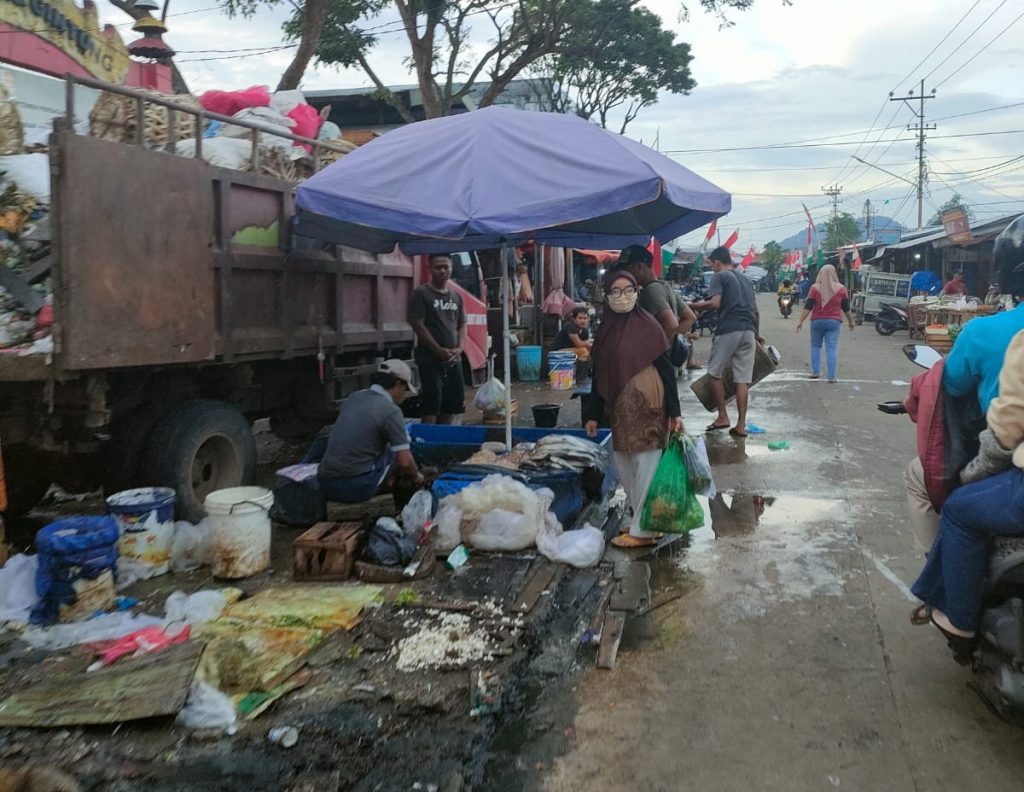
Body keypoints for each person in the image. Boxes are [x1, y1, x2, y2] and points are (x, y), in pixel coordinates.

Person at [910, 330, 1024, 663]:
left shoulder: (985, 333)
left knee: (958, 507)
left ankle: (957, 617)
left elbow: (1006, 421)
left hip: (1003, 458)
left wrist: (973, 474)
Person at [583, 271, 683, 549]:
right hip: (619, 407)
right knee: (625, 463)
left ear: (637, 292)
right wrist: (592, 413)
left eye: (628, 290)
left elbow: (667, 371)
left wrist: (675, 413)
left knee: (646, 462)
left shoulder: (650, 326)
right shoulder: (606, 330)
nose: (622, 297)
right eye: (615, 292)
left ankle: (644, 530)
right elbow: (599, 373)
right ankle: (647, 520)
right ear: (606, 296)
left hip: (648, 400)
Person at [318, 360, 424, 503]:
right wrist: (417, 476)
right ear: (398, 384)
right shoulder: (391, 411)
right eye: (405, 390)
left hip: (325, 484)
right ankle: (398, 495)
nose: (404, 396)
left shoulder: (353, 397)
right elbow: (405, 461)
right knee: (397, 455)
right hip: (357, 487)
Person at [690, 246, 760, 437]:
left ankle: (722, 416)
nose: (712, 267)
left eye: (712, 264)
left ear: (717, 262)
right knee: (742, 380)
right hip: (749, 330)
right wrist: (757, 334)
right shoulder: (745, 279)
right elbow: (755, 309)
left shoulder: (720, 277)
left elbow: (715, 303)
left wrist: (691, 306)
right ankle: (741, 425)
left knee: (714, 373)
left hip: (729, 329)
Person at [409, 254, 467, 424]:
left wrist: (460, 348)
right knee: (431, 403)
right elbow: (418, 325)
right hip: (430, 359)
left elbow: (462, 324)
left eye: (446, 267)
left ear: (451, 269)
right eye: (438, 267)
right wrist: (438, 351)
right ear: (430, 269)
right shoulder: (421, 294)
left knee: (451, 404)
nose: (442, 271)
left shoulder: (457, 297)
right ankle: (428, 442)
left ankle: (443, 438)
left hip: (452, 360)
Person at [795, 264, 856, 383]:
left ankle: (815, 372)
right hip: (834, 322)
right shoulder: (841, 289)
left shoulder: (814, 288)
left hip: (817, 322)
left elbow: (808, 307)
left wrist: (800, 321)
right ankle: (832, 377)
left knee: (815, 346)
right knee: (831, 348)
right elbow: (846, 308)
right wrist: (851, 321)